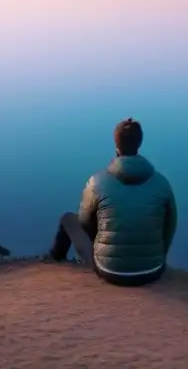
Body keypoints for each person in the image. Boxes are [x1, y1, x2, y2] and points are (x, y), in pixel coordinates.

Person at [48, 117, 177, 286]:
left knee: (68, 219)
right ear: (139, 145)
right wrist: (160, 255)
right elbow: (171, 224)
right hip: (153, 270)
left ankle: (54, 261)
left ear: (116, 147)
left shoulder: (97, 182)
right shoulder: (162, 183)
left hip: (109, 270)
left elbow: (84, 222)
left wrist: (103, 241)